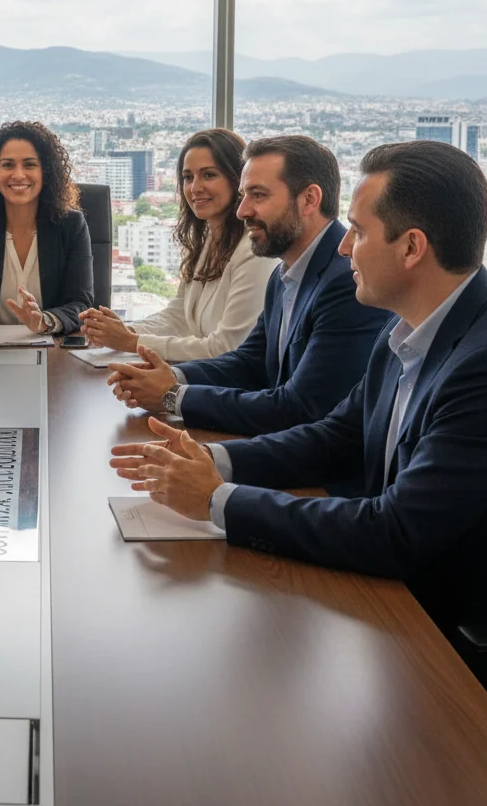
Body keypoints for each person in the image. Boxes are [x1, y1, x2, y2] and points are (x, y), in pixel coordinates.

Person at [110, 141, 487, 681]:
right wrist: (210, 461)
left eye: (358, 231)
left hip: (441, 641)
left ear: (411, 248)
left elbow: (396, 532)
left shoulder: (478, 366)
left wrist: (219, 501)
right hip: (390, 609)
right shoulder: (403, 331)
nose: (343, 247)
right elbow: (334, 436)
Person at [106, 136, 392, 437]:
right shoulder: (285, 273)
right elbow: (249, 362)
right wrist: (169, 376)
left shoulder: (345, 282)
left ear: (309, 199)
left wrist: (173, 396)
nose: (242, 211)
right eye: (243, 195)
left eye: (258, 195)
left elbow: (300, 409)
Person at [79, 129, 276, 360]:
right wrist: (124, 332)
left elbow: (227, 348)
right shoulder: (209, 242)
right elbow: (179, 315)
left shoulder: (254, 252)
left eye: (209, 175)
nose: (195, 188)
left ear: (237, 180)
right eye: (188, 177)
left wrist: (132, 342)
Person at [0, 121, 93, 334]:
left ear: (46, 172)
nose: (19, 175)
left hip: (54, 351)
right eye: (8, 165)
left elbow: (81, 303)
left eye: (30, 164)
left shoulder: (71, 226)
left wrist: (44, 321)